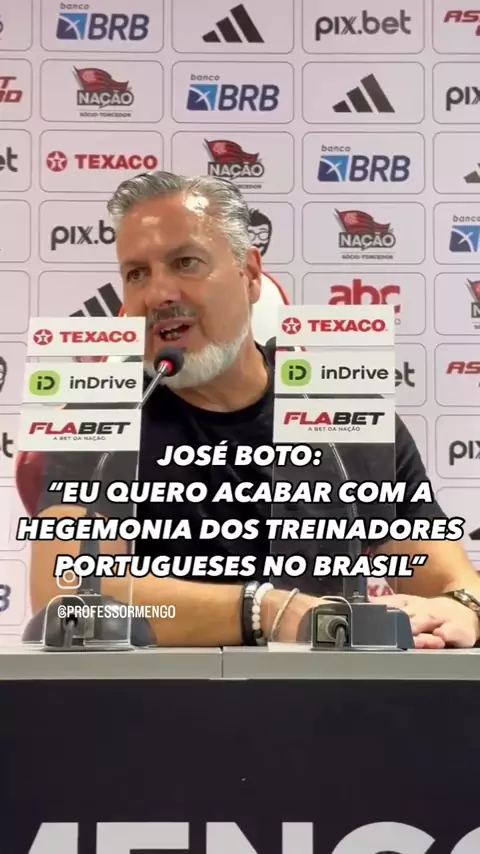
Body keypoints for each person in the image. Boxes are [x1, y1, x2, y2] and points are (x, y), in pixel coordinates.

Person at [30, 172, 480, 649]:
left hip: (327, 690)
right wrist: (265, 610)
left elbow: (451, 580)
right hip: (157, 691)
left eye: (185, 262)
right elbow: (65, 595)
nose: (158, 294)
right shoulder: (102, 410)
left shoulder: (340, 409)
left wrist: (461, 608)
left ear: (249, 275)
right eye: (136, 273)